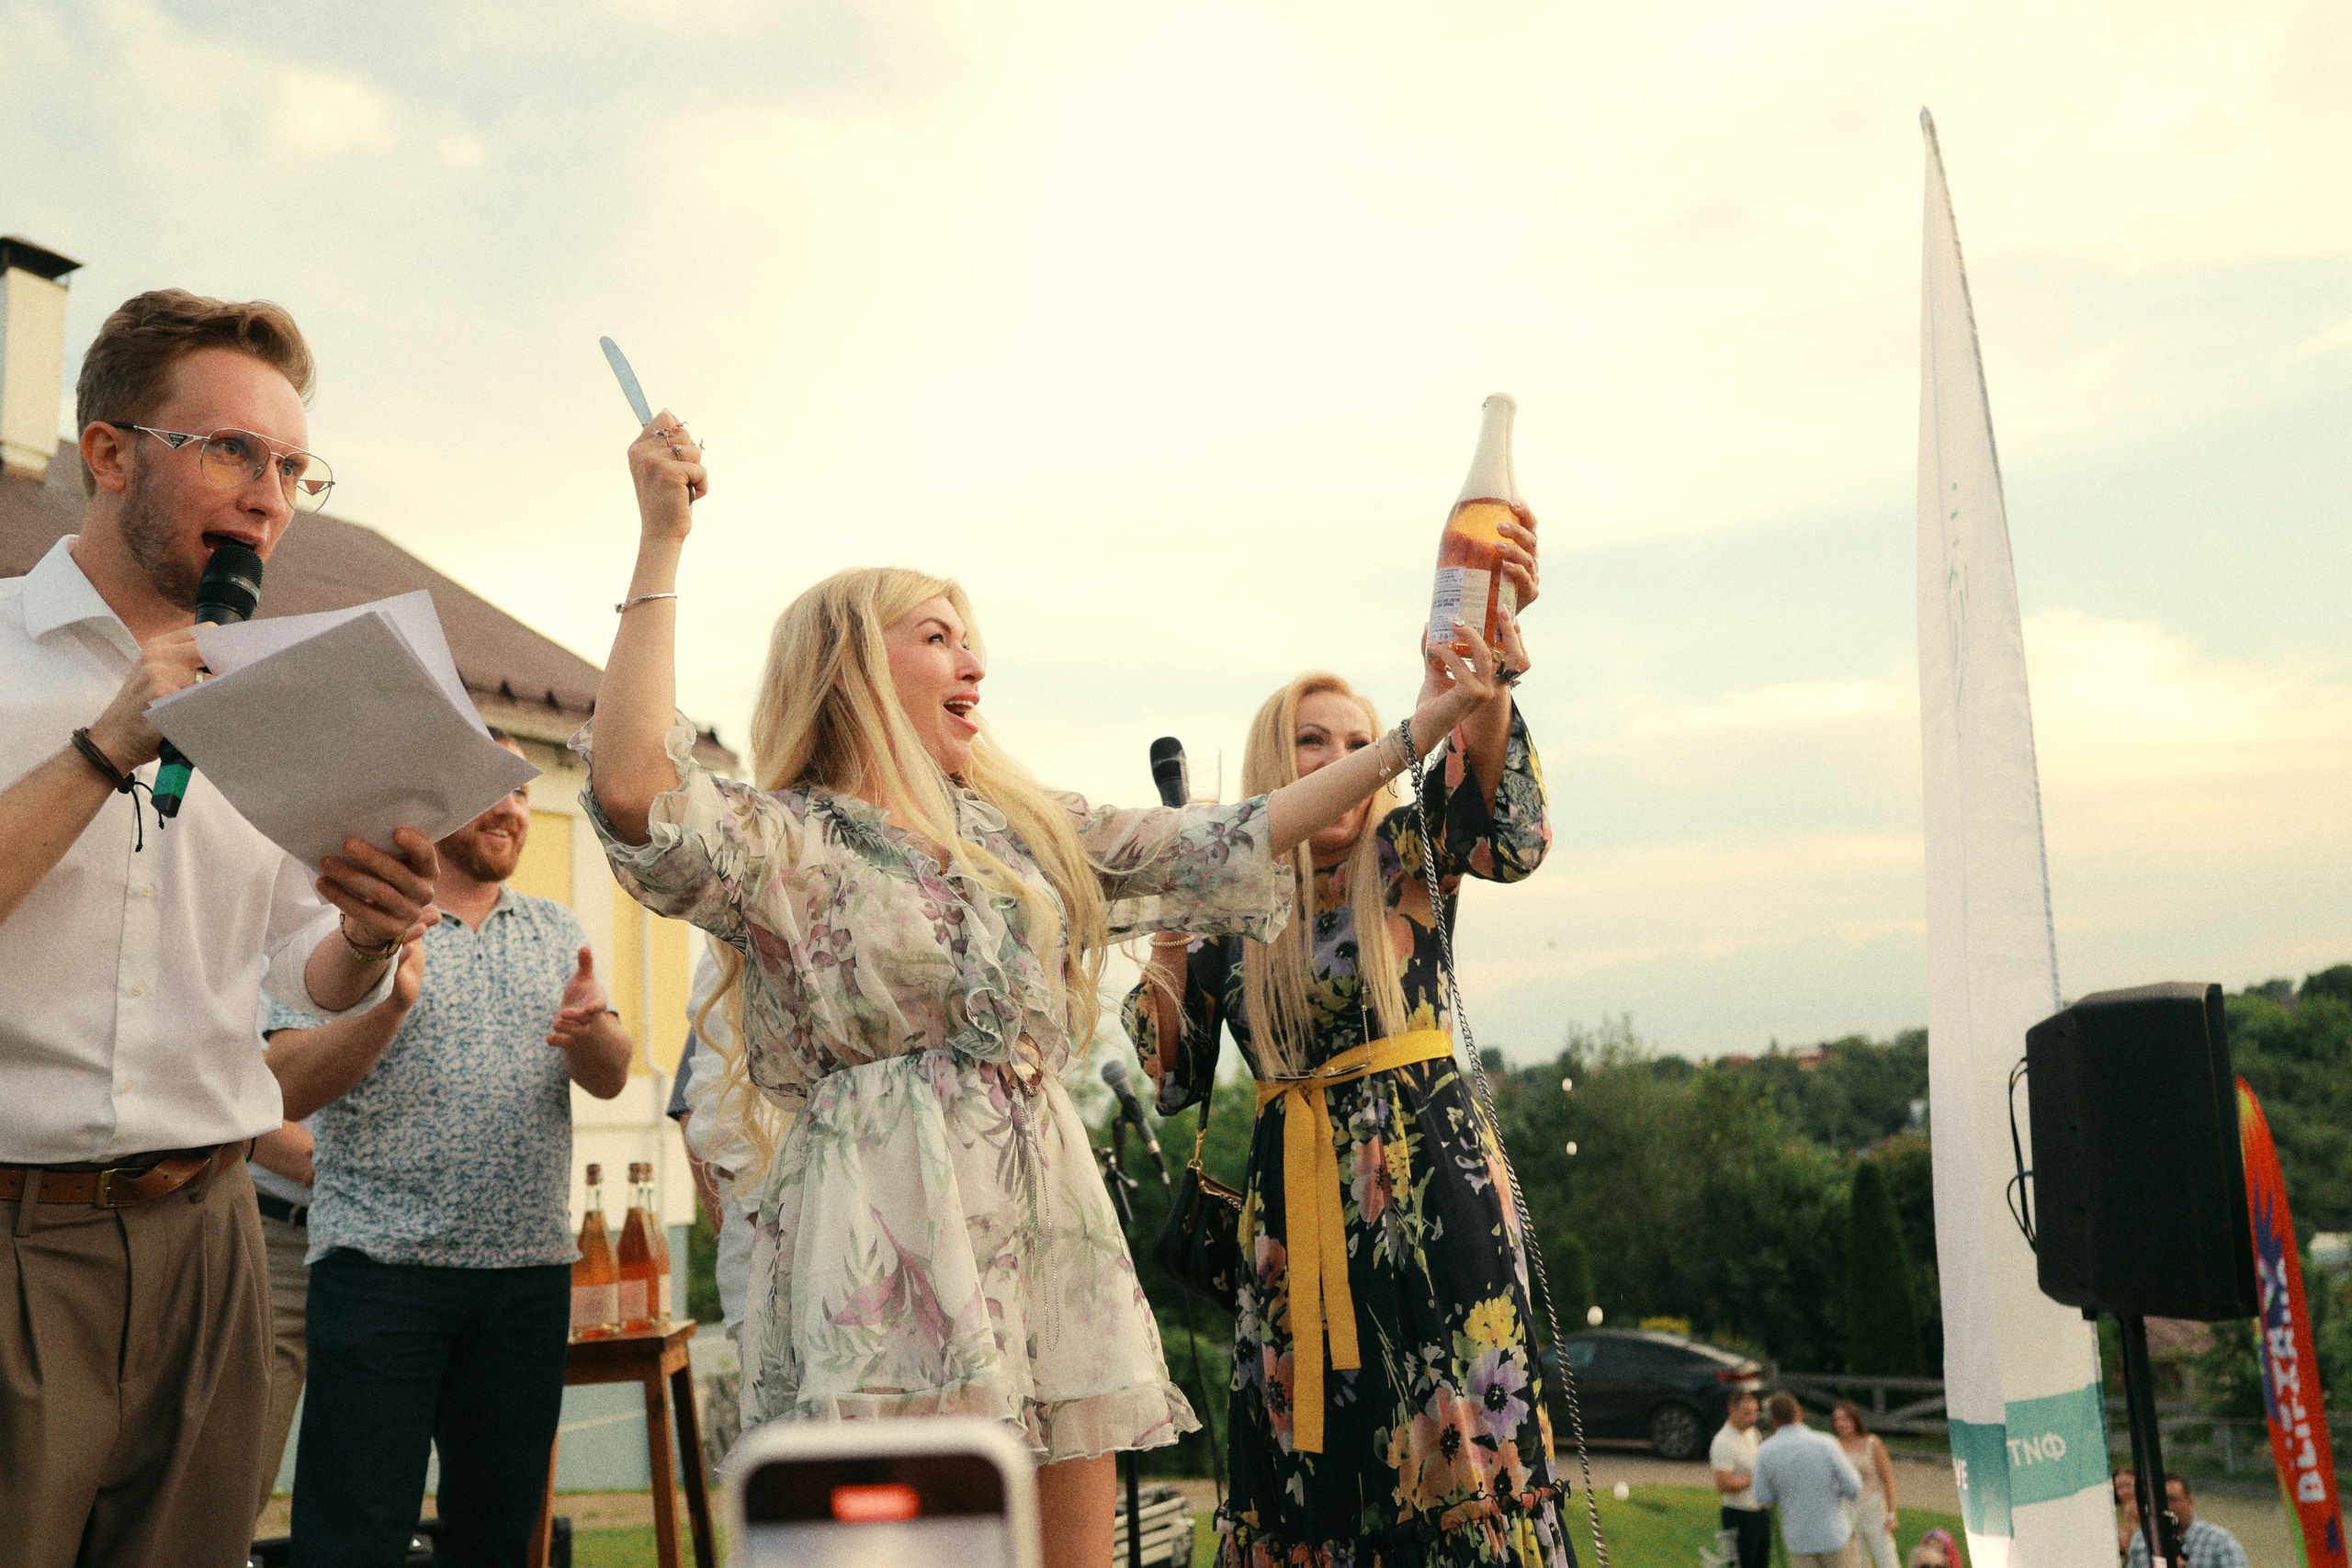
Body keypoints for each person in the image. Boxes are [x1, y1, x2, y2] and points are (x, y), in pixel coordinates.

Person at [578, 415, 1508, 1568]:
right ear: (858, 666)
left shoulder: (1018, 828)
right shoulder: (784, 841)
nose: (975, 664)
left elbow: (1226, 834)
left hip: (1045, 1213)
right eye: (938, 638)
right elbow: (630, 787)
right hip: (884, 1222)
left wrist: (1416, 736)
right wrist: (660, 539)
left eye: (974, 641)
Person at [0, 288, 438, 1568]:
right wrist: (106, 744)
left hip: (211, 1242)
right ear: (110, 451)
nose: (272, 495)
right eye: (234, 450)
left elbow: (301, 967)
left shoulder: (285, 692)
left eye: (294, 465)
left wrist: (368, 934)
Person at [1123, 619, 1566, 1560]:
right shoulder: (1235, 902)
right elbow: (1171, 1074)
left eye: (1359, 742)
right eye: (1311, 742)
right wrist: (1173, 914)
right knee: (1306, 1467)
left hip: (1430, 1206)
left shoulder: (1408, 854)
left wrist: (1477, 692)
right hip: (1292, 1226)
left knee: (1459, 1455)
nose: (1340, 760)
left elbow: (1502, 827)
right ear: (1273, 767)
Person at [264, 750, 636, 1567]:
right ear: (434, 803)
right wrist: (391, 1004)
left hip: (526, 1278)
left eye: (525, 793)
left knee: (499, 1542)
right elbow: (278, 1087)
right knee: (351, 1542)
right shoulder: (353, 931)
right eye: (490, 791)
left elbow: (609, 1076)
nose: (511, 808)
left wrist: (595, 1032)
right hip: (381, 1274)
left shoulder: (557, 931)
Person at [250, 1115, 320, 1522]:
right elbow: (226, 1097)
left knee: (368, 1493)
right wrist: (363, 1172)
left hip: (413, 1245)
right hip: (275, 1233)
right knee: (235, 1476)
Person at [1750, 1393, 1863, 1568]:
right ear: (1799, 1413)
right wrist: (1836, 1493)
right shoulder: (1826, 1443)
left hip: (1798, 1540)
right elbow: (1854, 1484)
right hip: (1834, 1534)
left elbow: (1761, 1496)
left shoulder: (1765, 1451)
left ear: (1774, 1421)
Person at [2124, 1473, 2247, 1568]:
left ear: (2189, 1501)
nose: (2166, 1506)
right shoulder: (2142, 1538)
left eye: (2172, 1499)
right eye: (2158, 1501)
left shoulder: (2220, 1543)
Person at [1829, 1400, 1899, 1568]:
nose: (1841, 1424)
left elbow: (1888, 1480)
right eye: (1837, 1420)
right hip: (1847, 1509)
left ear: (1854, 1420)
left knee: (1887, 1559)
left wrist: (1891, 1514)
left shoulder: (1872, 1443)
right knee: (1856, 1562)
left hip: (1873, 1507)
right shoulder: (1833, 1446)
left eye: (1845, 1419)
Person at [1711, 1390, 1770, 1568]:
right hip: (1739, 1515)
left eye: (1755, 1412)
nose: (1753, 1418)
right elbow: (1723, 1484)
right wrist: (1755, 1478)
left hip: (1760, 1512)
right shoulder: (1723, 1442)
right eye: (1746, 1413)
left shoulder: (1753, 1433)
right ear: (1732, 1410)